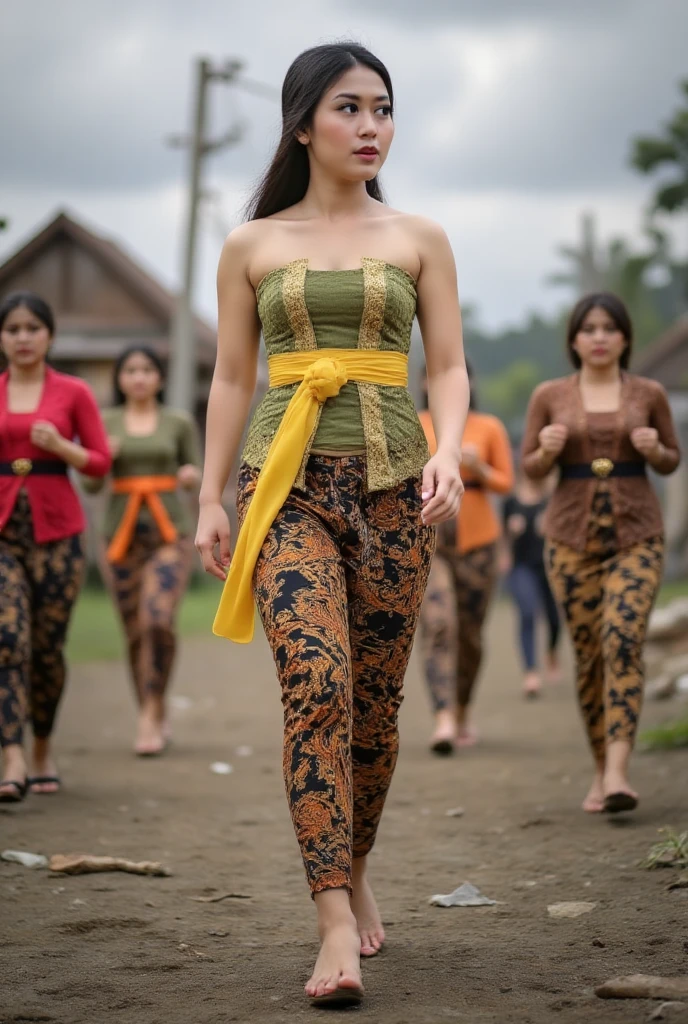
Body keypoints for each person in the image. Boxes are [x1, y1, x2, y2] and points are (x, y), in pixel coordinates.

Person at [194, 43, 468, 1008]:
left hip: (398, 484)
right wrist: (206, 499)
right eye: (349, 108)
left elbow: (447, 367)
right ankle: (333, 920)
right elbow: (232, 376)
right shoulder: (252, 245)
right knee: (316, 678)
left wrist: (450, 448)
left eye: (383, 109)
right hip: (284, 484)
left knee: (375, 711)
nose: (369, 126)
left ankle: (354, 864)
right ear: (303, 122)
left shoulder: (421, 235)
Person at [521, 292, 680, 814]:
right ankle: (599, 768)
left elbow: (671, 459)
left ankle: (618, 771)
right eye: (588, 328)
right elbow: (531, 470)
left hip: (638, 533)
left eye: (609, 328)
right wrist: (545, 449)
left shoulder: (650, 392)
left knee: (623, 639)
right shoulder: (550, 394)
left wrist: (655, 450)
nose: (599, 337)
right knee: (589, 655)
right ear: (573, 339)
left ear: (625, 337)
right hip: (570, 537)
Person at [0, 291, 111, 802]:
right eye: (12, 329)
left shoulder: (73, 392)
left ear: (49, 336)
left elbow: (99, 462)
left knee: (46, 649)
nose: (22, 338)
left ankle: (42, 746)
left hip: (58, 533)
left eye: (32, 328)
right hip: (3, 531)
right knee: (7, 639)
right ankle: (12, 753)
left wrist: (61, 447)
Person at [82, 345, 201, 757]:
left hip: (170, 535)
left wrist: (189, 477)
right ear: (119, 378)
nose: (139, 377)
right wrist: (102, 461)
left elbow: (195, 471)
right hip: (119, 536)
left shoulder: (178, 422)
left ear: (160, 378)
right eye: (130, 370)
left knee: (158, 620)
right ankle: (149, 708)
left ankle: (153, 710)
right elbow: (91, 485)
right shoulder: (104, 422)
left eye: (147, 370)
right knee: (133, 630)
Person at [418, 363, 513, 753]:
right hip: (428, 542)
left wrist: (479, 468)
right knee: (440, 625)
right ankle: (442, 717)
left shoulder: (488, 427)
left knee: (470, 634)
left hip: (479, 542)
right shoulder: (412, 423)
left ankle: (462, 708)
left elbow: (508, 482)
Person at [501, 468, 561, 698]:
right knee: (527, 613)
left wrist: (550, 527)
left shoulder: (551, 499)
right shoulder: (511, 502)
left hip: (549, 565)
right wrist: (505, 552)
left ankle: (552, 652)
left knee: (554, 619)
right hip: (521, 567)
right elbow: (503, 536)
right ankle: (531, 673)